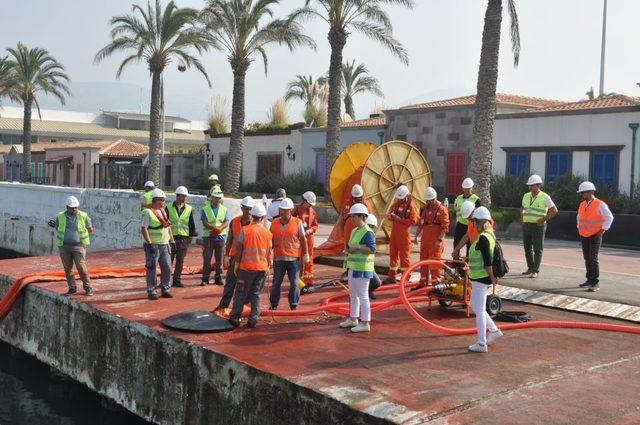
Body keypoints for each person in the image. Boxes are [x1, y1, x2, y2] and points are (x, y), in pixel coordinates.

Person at [228, 203, 273, 329]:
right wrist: (269, 266)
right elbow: (269, 252)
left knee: (240, 293)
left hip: (246, 269)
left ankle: (235, 317)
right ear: (263, 217)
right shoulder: (268, 233)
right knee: (256, 294)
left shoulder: (245, 230)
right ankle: (253, 319)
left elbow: (239, 249)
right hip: (262, 269)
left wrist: (236, 264)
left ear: (252, 216)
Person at [466, 207, 503, 353]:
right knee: (476, 306)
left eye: (474, 222)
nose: (473, 225)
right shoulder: (489, 235)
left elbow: (487, 261)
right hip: (480, 277)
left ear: (478, 222)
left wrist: (492, 277)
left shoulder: (484, 238)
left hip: (481, 277)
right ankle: (493, 331)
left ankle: (481, 343)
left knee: (479, 310)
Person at [339, 203, 376, 333]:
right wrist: (348, 250)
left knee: (363, 295)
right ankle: (353, 319)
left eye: (354, 216)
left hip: (363, 269)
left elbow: (372, 249)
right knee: (353, 295)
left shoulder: (368, 232)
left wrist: (358, 248)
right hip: (353, 267)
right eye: (352, 216)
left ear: (362, 216)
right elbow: (351, 247)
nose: (352, 219)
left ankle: (365, 323)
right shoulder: (355, 231)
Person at [214, 196, 255, 312]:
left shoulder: (255, 224)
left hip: (248, 259)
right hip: (234, 257)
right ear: (242, 208)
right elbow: (230, 239)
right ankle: (223, 305)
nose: (248, 212)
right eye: (246, 209)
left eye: (250, 209)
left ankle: (244, 308)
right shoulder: (235, 221)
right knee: (230, 283)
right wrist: (227, 255)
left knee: (246, 285)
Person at [47, 195, 94, 296]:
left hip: (79, 247)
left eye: (76, 207)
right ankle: (72, 288)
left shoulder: (83, 216)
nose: (74, 209)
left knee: (81, 267)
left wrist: (82, 236)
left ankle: (88, 288)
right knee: (68, 269)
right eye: (72, 208)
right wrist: (55, 226)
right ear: (67, 207)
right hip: (64, 247)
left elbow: (90, 229)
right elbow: (59, 228)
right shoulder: (60, 216)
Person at [269, 198, 310, 311]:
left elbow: (303, 239)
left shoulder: (297, 222)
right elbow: (270, 241)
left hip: (293, 259)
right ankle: (273, 304)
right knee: (276, 282)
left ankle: (293, 304)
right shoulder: (274, 223)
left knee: (295, 283)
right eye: (282, 210)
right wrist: (268, 256)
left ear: (291, 210)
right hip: (279, 259)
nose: (283, 212)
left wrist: (306, 254)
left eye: (286, 210)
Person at [576, 181, 613, 292]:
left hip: (595, 235)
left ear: (590, 192)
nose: (581, 194)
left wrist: (603, 230)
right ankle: (589, 279)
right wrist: (579, 227)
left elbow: (609, 217)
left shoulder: (600, 204)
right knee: (587, 258)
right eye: (581, 193)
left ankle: (595, 282)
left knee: (593, 258)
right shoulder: (582, 204)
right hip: (584, 234)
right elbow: (579, 217)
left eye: (583, 193)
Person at [521, 174, 558, 278]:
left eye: (532, 185)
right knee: (527, 248)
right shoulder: (526, 195)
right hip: (527, 225)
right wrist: (522, 219)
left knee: (538, 248)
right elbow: (522, 207)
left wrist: (543, 219)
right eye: (529, 185)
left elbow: (554, 210)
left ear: (538, 185)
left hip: (538, 226)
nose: (530, 187)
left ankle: (535, 270)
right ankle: (530, 268)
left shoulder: (545, 197)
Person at [141, 189, 175, 300]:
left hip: (164, 244)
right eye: (162, 200)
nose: (163, 202)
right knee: (152, 268)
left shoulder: (163, 211)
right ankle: (152, 291)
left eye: (164, 200)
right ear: (156, 200)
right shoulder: (147, 212)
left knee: (167, 267)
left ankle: (165, 288)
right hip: (153, 244)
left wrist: (172, 240)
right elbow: (144, 229)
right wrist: (149, 243)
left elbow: (167, 226)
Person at [382, 185, 418, 284]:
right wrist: (388, 216)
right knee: (393, 254)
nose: (400, 200)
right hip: (394, 233)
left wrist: (399, 219)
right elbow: (391, 215)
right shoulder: (395, 204)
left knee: (404, 256)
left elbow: (413, 221)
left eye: (402, 198)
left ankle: (405, 277)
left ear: (407, 196)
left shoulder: (411, 206)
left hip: (404, 234)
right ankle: (391, 276)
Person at [415, 187, 449, 284]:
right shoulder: (425, 209)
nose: (428, 203)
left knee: (434, 263)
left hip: (435, 241)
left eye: (430, 201)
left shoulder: (442, 210)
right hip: (425, 240)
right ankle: (422, 282)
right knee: (423, 261)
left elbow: (445, 227)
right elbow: (421, 223)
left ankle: (436, 283)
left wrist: (439, 241)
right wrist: (416, 236)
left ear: (434, 199)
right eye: (427, 201)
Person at [166, 186, 196, 287]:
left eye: (184, 196)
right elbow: (165, 222)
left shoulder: (189, 208)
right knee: (168, 261)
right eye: (181, 196)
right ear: (177, 196)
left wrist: (191, 236)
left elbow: (191, 223)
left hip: (183, 238)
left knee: (180, 261)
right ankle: (165, 281)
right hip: (171, 238)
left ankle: (176, 280)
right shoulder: (168, 207)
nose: (183, 198)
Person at [201, 189, 229, 286]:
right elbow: (204, 221)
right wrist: (214, 228)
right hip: (209, 237)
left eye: (219, 198)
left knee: (219, 259)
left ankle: (218, 277)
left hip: (220, 237)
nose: (217, 200)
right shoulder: (205, 209)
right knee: (207, 259)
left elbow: (226, 221)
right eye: (216, 198)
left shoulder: (224, 209)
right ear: (212, 198)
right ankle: (205, 278)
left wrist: (220, 228)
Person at [293, 191, 318, 285]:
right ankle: (297, 280)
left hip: (309, 237)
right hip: (298, 237)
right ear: (305, 201)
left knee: (309, 258)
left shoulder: (312, 211)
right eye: (309, 204)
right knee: (298, 258)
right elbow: (291, 220)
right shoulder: (296, 209)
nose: (310, 206)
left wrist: (310, 231)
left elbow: (315, 226)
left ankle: (308, 280)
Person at [453, 178, 481, 254]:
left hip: (471, 224)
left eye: (468, 189)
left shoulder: (476, 199)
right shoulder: (458, 198)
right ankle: (456, 262)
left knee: (470, 245)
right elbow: (455, 209)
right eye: (465, 189)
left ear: (472, 188)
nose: (466, 191)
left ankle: (468, 262)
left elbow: (479, 213)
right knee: (456, 243)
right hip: (460, 224)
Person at [365, 214, 382, 300]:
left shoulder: (369, 234)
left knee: (377, 283)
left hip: (368, 266)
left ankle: (368, 291)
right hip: (362, 267)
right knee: (376, 282)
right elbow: (372, 250)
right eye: (371, 226)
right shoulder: (366, 233)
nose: (372, 228)